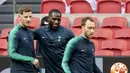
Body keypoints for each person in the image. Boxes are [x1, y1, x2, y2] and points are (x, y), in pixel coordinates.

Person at [33, 9, 75, 73]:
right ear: (48, 18)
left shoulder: (68, 33)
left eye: (58, 20)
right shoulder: (40, 32)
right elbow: (24, 37)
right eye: (54, 19)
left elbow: (76, 51)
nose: (56, 22)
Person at [8, 5, 41, 73]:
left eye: (30, 17)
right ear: (19, 17)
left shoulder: (30, 32)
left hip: (31, 70)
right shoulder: (14, 32)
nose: (29, 19)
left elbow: (31, 53)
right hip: (18, 70)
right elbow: (11, 54)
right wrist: (31, 59)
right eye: (26, 17)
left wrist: (38, 70)